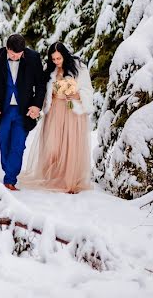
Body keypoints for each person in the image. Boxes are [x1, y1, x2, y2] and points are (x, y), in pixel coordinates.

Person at [19, 41, 94, 194]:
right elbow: (44, 89)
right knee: (53, 144)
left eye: (59, 58)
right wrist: (50, 94)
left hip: (72, 109)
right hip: (55, 110)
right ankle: (53, 175)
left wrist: (78, 94)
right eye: (53, 59)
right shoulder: (50, 70)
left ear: (65, 55)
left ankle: (69, 180)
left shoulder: (79, 67)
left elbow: (87, 88)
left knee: (70, 144)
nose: (56, 62)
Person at [0, 34, 46, 191]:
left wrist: (37, 106)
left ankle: (10, 179)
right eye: (12, 53)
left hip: (23, 111)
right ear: (7, 48)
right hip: (2, 111)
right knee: (4, 144)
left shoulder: (33, 58)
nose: (16, 56)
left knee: (18, 145)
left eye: (19, 54)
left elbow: (41, 84)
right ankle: (9, 173)